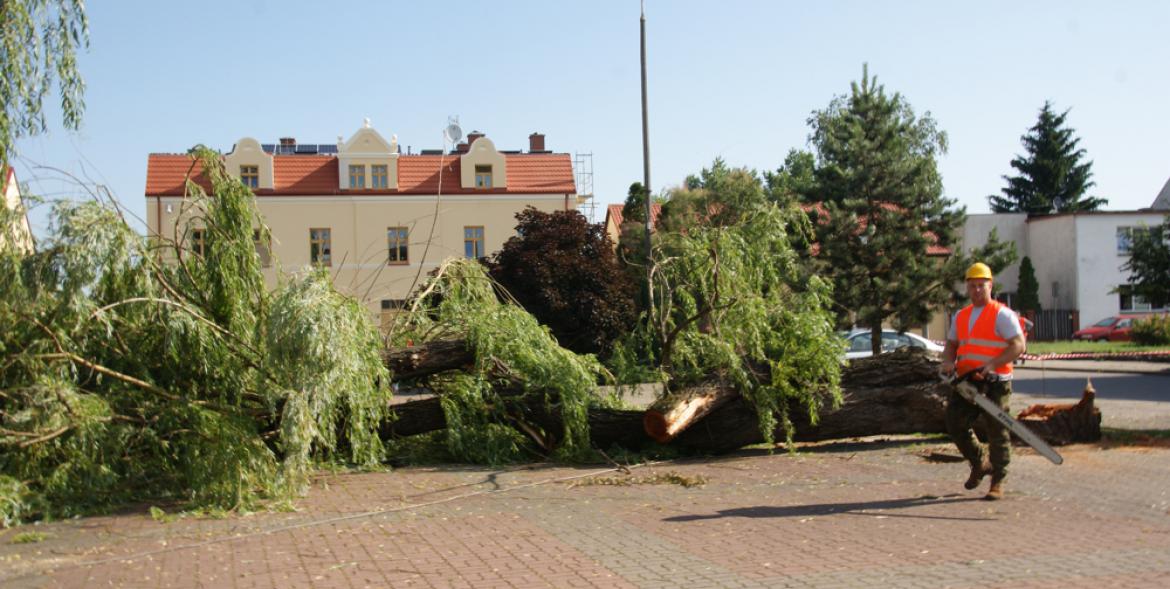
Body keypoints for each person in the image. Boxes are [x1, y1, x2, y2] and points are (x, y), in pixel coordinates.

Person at [940, 262, 1025, 500]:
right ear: (967, 287)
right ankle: (979, 462)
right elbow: (951, 346)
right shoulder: (962, 316)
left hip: (996, 381)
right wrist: (948, 362)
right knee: (954, 422)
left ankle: (998, 479)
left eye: (982, 285)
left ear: (990, 285)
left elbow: (1018, 345)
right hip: (968, 381)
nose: (977, 290)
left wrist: (992, 365)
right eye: (973, 286)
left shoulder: (1002, 314)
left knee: (997, 429)